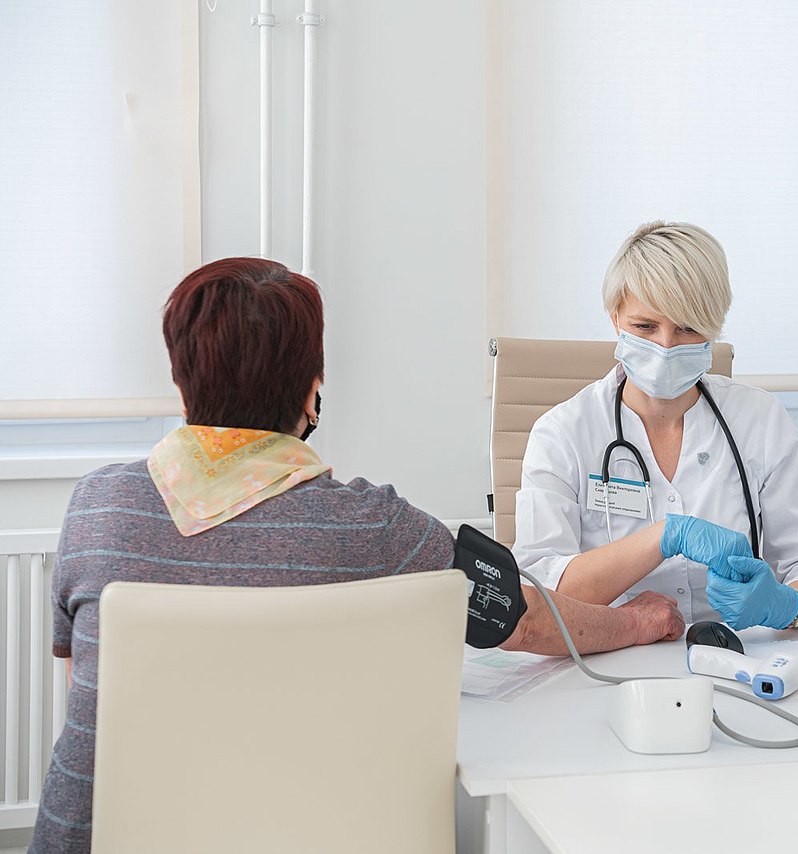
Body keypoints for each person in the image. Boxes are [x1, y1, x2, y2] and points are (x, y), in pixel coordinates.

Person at [30, 258, 684, 854]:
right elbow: (525, 620)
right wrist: (641, 621)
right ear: (312, 392)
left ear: (182, 386)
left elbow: (88, 686)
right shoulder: (375, 527)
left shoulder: (96, 509)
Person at [514, 221, 798, 632]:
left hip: (740, 651)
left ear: (714, 328)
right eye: (645, 327)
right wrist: (665, 537)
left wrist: (789, 605)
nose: (666, 345)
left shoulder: (760, 419)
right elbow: (540, 589)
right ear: (616, 319)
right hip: (610, 651)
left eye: (687, 327)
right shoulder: (563, 433)